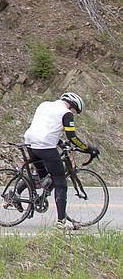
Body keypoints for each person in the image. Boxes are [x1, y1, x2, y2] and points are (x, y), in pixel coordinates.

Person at [19, 92, 99, 230]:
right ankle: (61, 221)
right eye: (74, 111)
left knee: (42, 176)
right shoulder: (66, 113)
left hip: (31, 144)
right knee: (60, 181)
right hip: (45, 147)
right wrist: (88, 149)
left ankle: (16, 193)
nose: (73, 113)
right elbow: (72, 137)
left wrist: (60, 142)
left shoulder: (45, 105)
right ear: (72, 105)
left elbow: (44, 127)